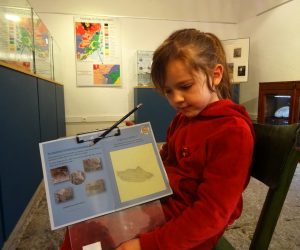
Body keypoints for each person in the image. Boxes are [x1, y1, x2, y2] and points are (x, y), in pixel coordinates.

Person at [60, 28, 254, 250]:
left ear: (216, 74)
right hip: (161, 205)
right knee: (84, 220)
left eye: (185, 86)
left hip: (185, 231)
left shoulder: (232, 131)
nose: (177, 99)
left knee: (90, 230)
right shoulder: (183, 119)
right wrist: (140, 147)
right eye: (168, 91)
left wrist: (146, 244)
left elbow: (212, 214)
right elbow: (166, 162)